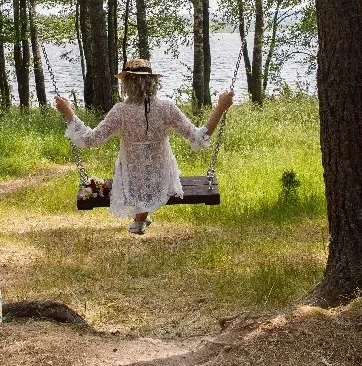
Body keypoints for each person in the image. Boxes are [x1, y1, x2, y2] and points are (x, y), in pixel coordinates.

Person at [54, 58, 235, 235]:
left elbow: (90, 139)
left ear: (127, 84)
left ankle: (139, 219)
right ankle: (141, 216)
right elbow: (199, 137)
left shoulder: (120, 111)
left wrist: (68, 112)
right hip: (163, 180)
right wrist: (220, 107)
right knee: (149, 174)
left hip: (130, 182)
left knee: (138, 176)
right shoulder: (167, 108)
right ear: (153, 82)